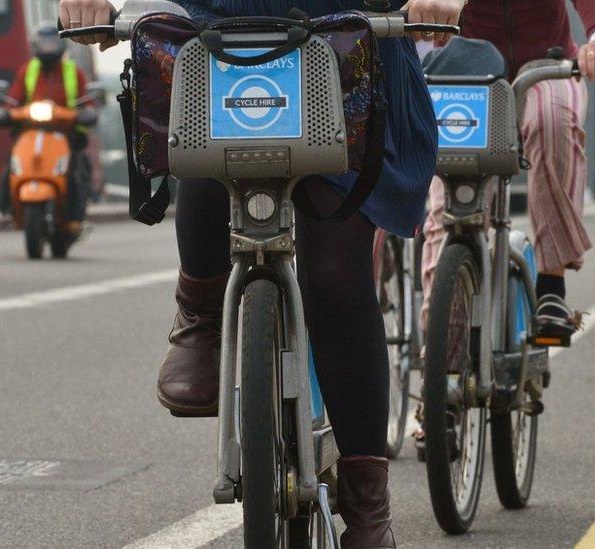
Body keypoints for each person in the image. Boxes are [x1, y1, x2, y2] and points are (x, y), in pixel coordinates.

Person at [60, 0, 464, 547]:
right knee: (199, 146)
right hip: (216, 33)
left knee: (335, 272)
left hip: (349, 45)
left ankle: (369, 511)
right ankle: (200, 316)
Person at [421, 0, 595, 343]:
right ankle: (444, 340)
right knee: (445, 204)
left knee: (553, 121)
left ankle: (552, 284)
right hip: (469, 67)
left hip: (548, 64)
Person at [0, 25, 97, 237]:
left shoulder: (73, 72)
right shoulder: (27, 71)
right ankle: (7, 208)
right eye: (44, 43)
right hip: (30, 131)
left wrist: (85, 114)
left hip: (65, 133)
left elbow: (86, 103)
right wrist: (4, 113)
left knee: (77, 171)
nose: (49, 48)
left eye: (53, 43)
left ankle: (76, 217)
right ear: (34, 46)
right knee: (11, 165)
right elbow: (13, 102)